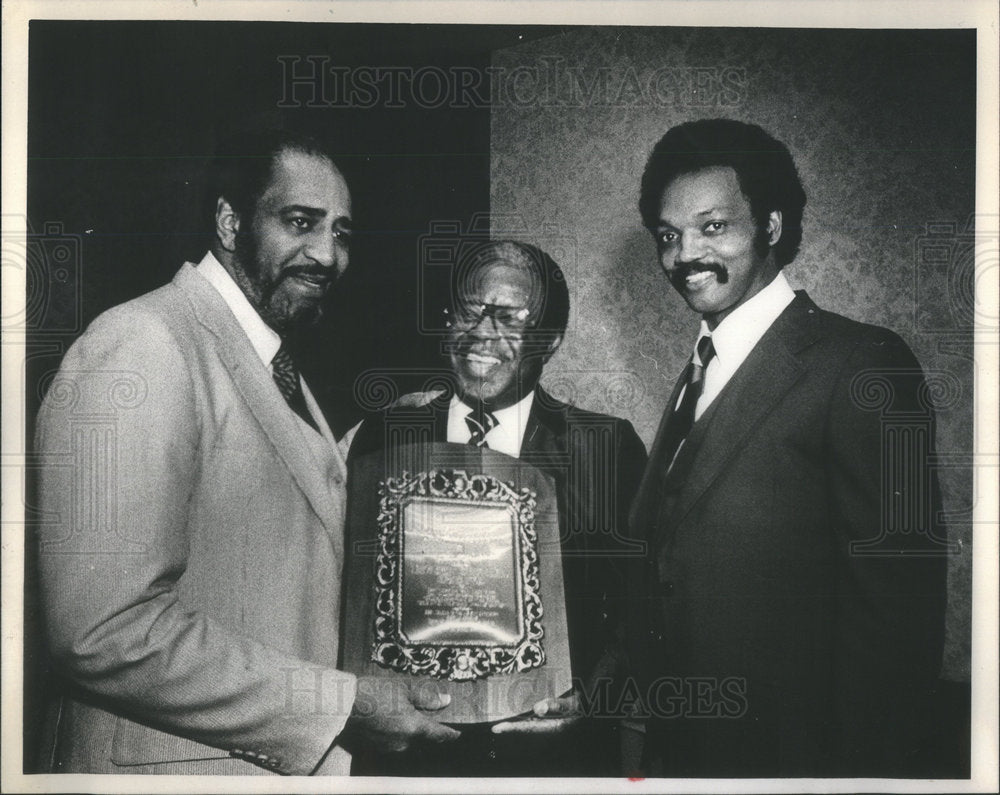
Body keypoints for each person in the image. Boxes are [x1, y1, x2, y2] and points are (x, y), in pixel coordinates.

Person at [33, 129, 458, 776]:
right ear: (230, 223)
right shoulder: (143, 342)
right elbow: (104, 629)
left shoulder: (272, 364)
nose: (326, 254)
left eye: (342, 232)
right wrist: (341, 705)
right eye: (300, 222)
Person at [629, 118, 949, 777]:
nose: (684, 255)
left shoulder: (862, 365)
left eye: (712, 226)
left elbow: (898, 631)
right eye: (668, 235)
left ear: (772, 225)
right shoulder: (696, 373)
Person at [348, 239, 648, 776]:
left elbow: (643, 612)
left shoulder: (603, 447)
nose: (481, 333)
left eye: (510, 318)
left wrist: (590, 697)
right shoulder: (385, 435)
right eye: (468, 310)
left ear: (550, 340)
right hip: (406, 761)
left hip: (548, 765)